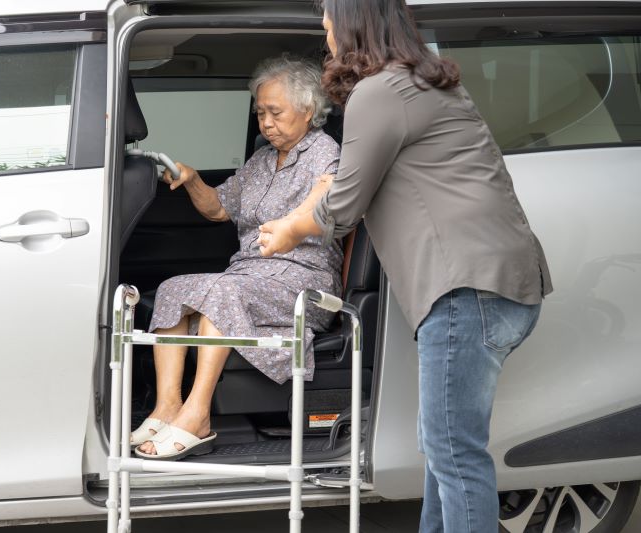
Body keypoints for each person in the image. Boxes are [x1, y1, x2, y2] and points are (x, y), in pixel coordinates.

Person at [257, 1, 553, 531]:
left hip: (467, 291)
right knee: (442, 447)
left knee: (454, 452)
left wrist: (290, 228)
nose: (324, 29)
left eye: (328, 17)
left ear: (351, 23)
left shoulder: (380, 92)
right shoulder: (429, 83)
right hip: (501, 285)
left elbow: (344, 206)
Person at [132, 56, 343, 461]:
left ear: (310, 110)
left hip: (304, 277)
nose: (265, 122)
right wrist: (193, 180)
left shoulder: (326, 156)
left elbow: (334, 214)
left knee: (221, 292)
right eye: (260, 112)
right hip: (250, 274)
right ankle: (167, 408)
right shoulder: (263, 159)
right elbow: (219, 209)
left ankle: (198, 415)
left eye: (275, 112)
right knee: (175, 289)